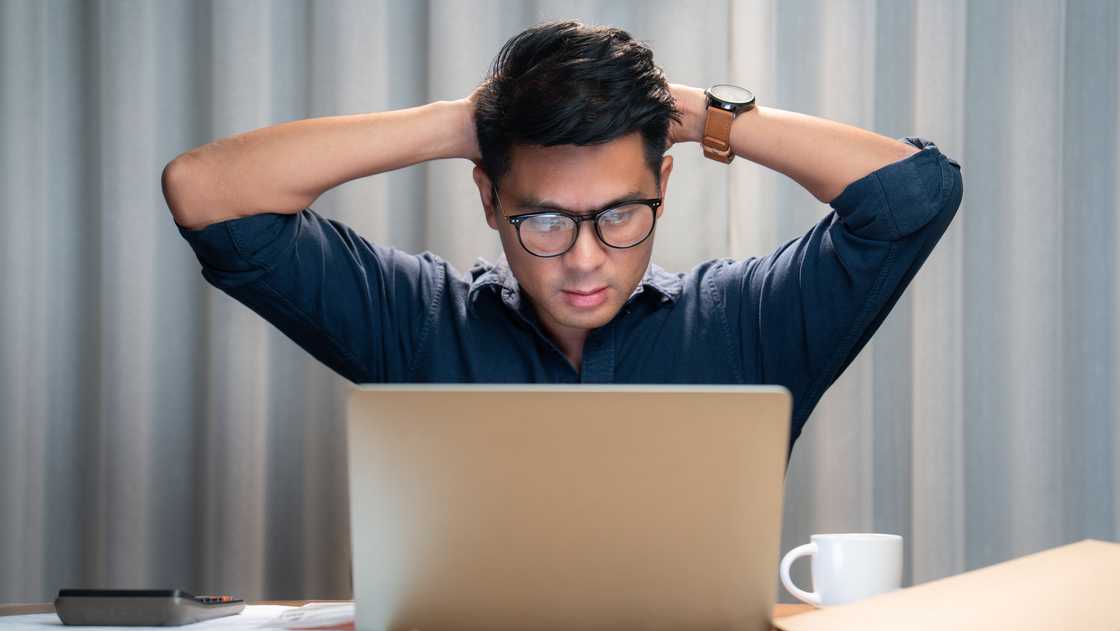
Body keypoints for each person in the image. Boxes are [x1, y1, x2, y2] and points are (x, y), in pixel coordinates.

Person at [162, 20, 962, 451]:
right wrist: (462, 122)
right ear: (488, 197)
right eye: (544, 218)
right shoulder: (416, 321)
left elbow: (911, 196)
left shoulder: (751, 322)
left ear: (664, 188)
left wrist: (685, 111)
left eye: (619, 213)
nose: (584, 258)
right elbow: (206, 193)